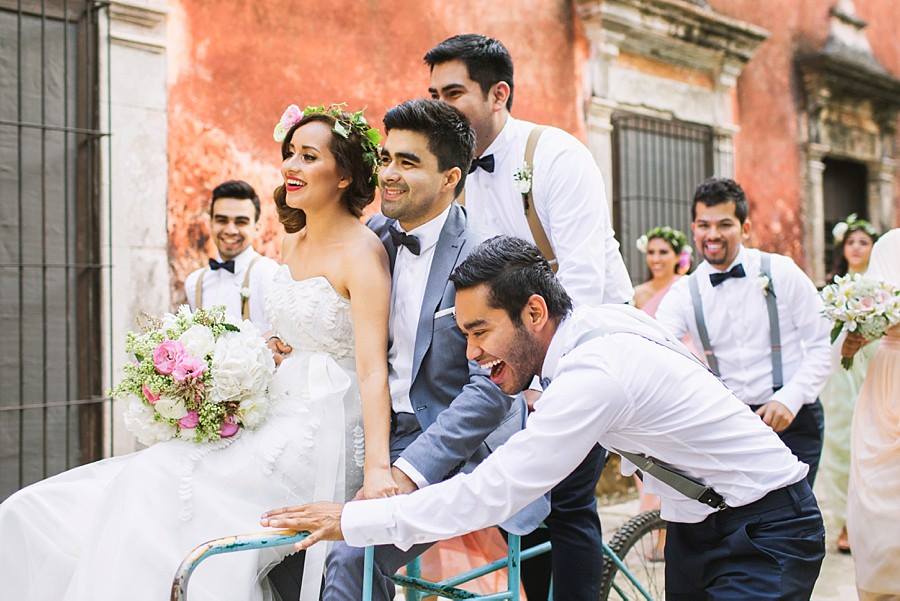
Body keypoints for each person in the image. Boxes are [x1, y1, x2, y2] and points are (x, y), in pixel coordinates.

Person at [262, 235, 827, 600]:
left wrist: (351, 521)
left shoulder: (592, 375)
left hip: (768, 525)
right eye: (464, 336)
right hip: (694, 523)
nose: (472, 355)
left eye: (480, 332)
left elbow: (495, 492)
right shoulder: (596, 327)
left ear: (534, 311)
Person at [0, 105, 393, 601]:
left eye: (309, 156)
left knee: (160, 483)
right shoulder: (292, 242)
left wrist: (377, 469)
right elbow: (286, 337)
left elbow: (372, 368)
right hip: (276, 404)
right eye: (289, 153)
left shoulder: (363, 252)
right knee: (143, 478)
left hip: (325, 423)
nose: (291, 166)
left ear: (344, 176)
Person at [308, 99, 544, 601]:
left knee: (353, 553)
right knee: (286, 532)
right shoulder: (374, 238)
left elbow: (492, 390)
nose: (388, 175)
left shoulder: (487, 254)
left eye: (408, 163)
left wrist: (405, 472)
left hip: (454, 450)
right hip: (371, 432)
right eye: (387, 159)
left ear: (450, 178)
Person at [425, 33, 632, 600]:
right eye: (433, 94)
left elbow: (585, 279)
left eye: (453, 93)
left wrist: (551, 380)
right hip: (510, 355)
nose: (440, 108)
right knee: (518, 504)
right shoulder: (453, 177)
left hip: (582, 346)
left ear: (498, 94)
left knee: (566, 504)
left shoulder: (556, 155)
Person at [656, 178, 832, 485]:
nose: (713, 235)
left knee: (792, 519)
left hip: (795, 416)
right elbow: (657, 351)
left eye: (724, 224)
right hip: (731, 424)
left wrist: (789, 398)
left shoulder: (781, 271)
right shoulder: (684, 292)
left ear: (745, 228)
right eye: (704, 225)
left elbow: (822, 342)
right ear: (693, 229)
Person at [844, 228, 900, 600]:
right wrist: (851, 340)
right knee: (873, 499)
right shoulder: (889, 245)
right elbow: (850, 350)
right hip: (885, 380)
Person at [818, 213, 879, 553]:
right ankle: (844, 522)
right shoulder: (832, 288)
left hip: (873, 369)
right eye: (851, 242)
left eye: (863, 242)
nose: (856, 248)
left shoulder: (886, 287)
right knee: (840, 445)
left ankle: (875, 519)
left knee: (874, 445)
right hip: (841, 376)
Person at [184, 180, 280, 332]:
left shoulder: (270, 274)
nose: (230, 230)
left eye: (241, 222)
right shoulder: (194, 283)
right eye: (221, 220)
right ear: (211, 224)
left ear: (257, 228)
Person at [633, 225, 692, 314]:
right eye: (651, 252)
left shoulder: (688, 287)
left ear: (678, 257)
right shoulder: (637, 294)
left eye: (663, 252)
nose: (655, 259)